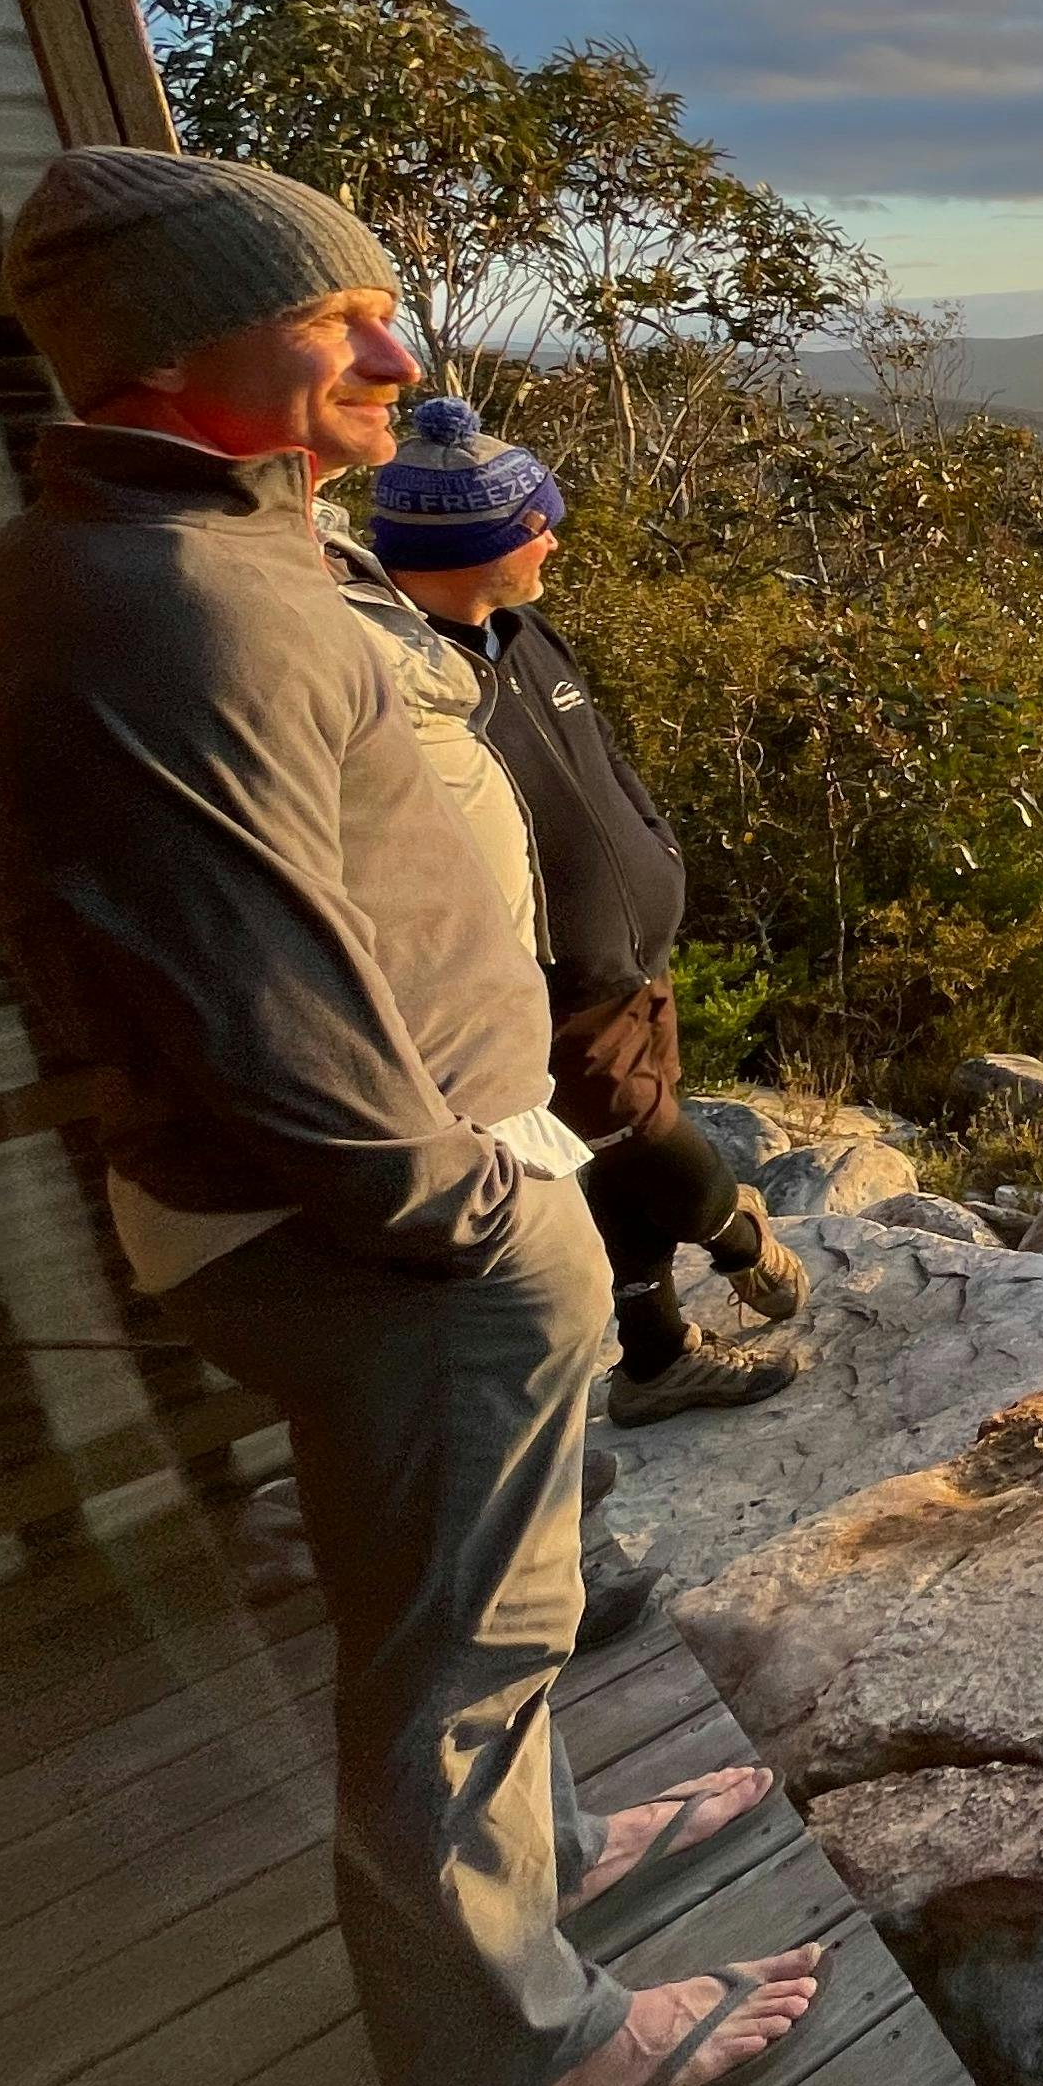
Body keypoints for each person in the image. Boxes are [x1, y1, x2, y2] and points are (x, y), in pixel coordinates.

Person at [0, 146, 824, 2086]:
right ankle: (513, 2053)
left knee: (490, 1611)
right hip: (390, 1230)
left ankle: (559, 1853)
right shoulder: (158, 602)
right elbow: (238, 1001)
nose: (394, 348)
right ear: (185, 344)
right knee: (449, 1653)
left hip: (416, 1196)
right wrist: (493, 1216)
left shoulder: (239, 551)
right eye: (335, 315)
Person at [367, 396, 803, 1425]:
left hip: (630, 961)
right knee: (643, 1137)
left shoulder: (518, 630)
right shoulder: (402, 691)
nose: (553, 539)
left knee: (621, 1165)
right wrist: (732, 1226)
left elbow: (598, 764)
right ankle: (737, 1232)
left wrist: (652, 848)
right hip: (550, 988)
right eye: (534, 526)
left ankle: (653, 1359)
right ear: (475, 544)